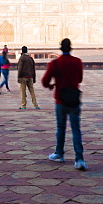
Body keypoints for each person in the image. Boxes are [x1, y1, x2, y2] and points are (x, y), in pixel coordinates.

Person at [42, 38, 86, 170]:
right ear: (71, 48)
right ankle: (79, 159)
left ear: (60, 48)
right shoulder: (77, 62)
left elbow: (44, 82)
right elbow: (79, 79)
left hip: (60, 100)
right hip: (74, 100)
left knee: (61, 128)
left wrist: (52, 85)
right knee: (76, 129)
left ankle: (59, 154)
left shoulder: (55, 63)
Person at [17, 46, 39, 110]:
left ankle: (23, 105)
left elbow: (20, 68)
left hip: (23, 77)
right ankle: (35, 105)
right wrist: (34, 78)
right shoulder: (30, 58)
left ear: (22, 51)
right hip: (30, 77)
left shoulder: (22, 58)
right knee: (32, 91)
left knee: (23, 92)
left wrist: (19, 77)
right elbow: (33, 69)